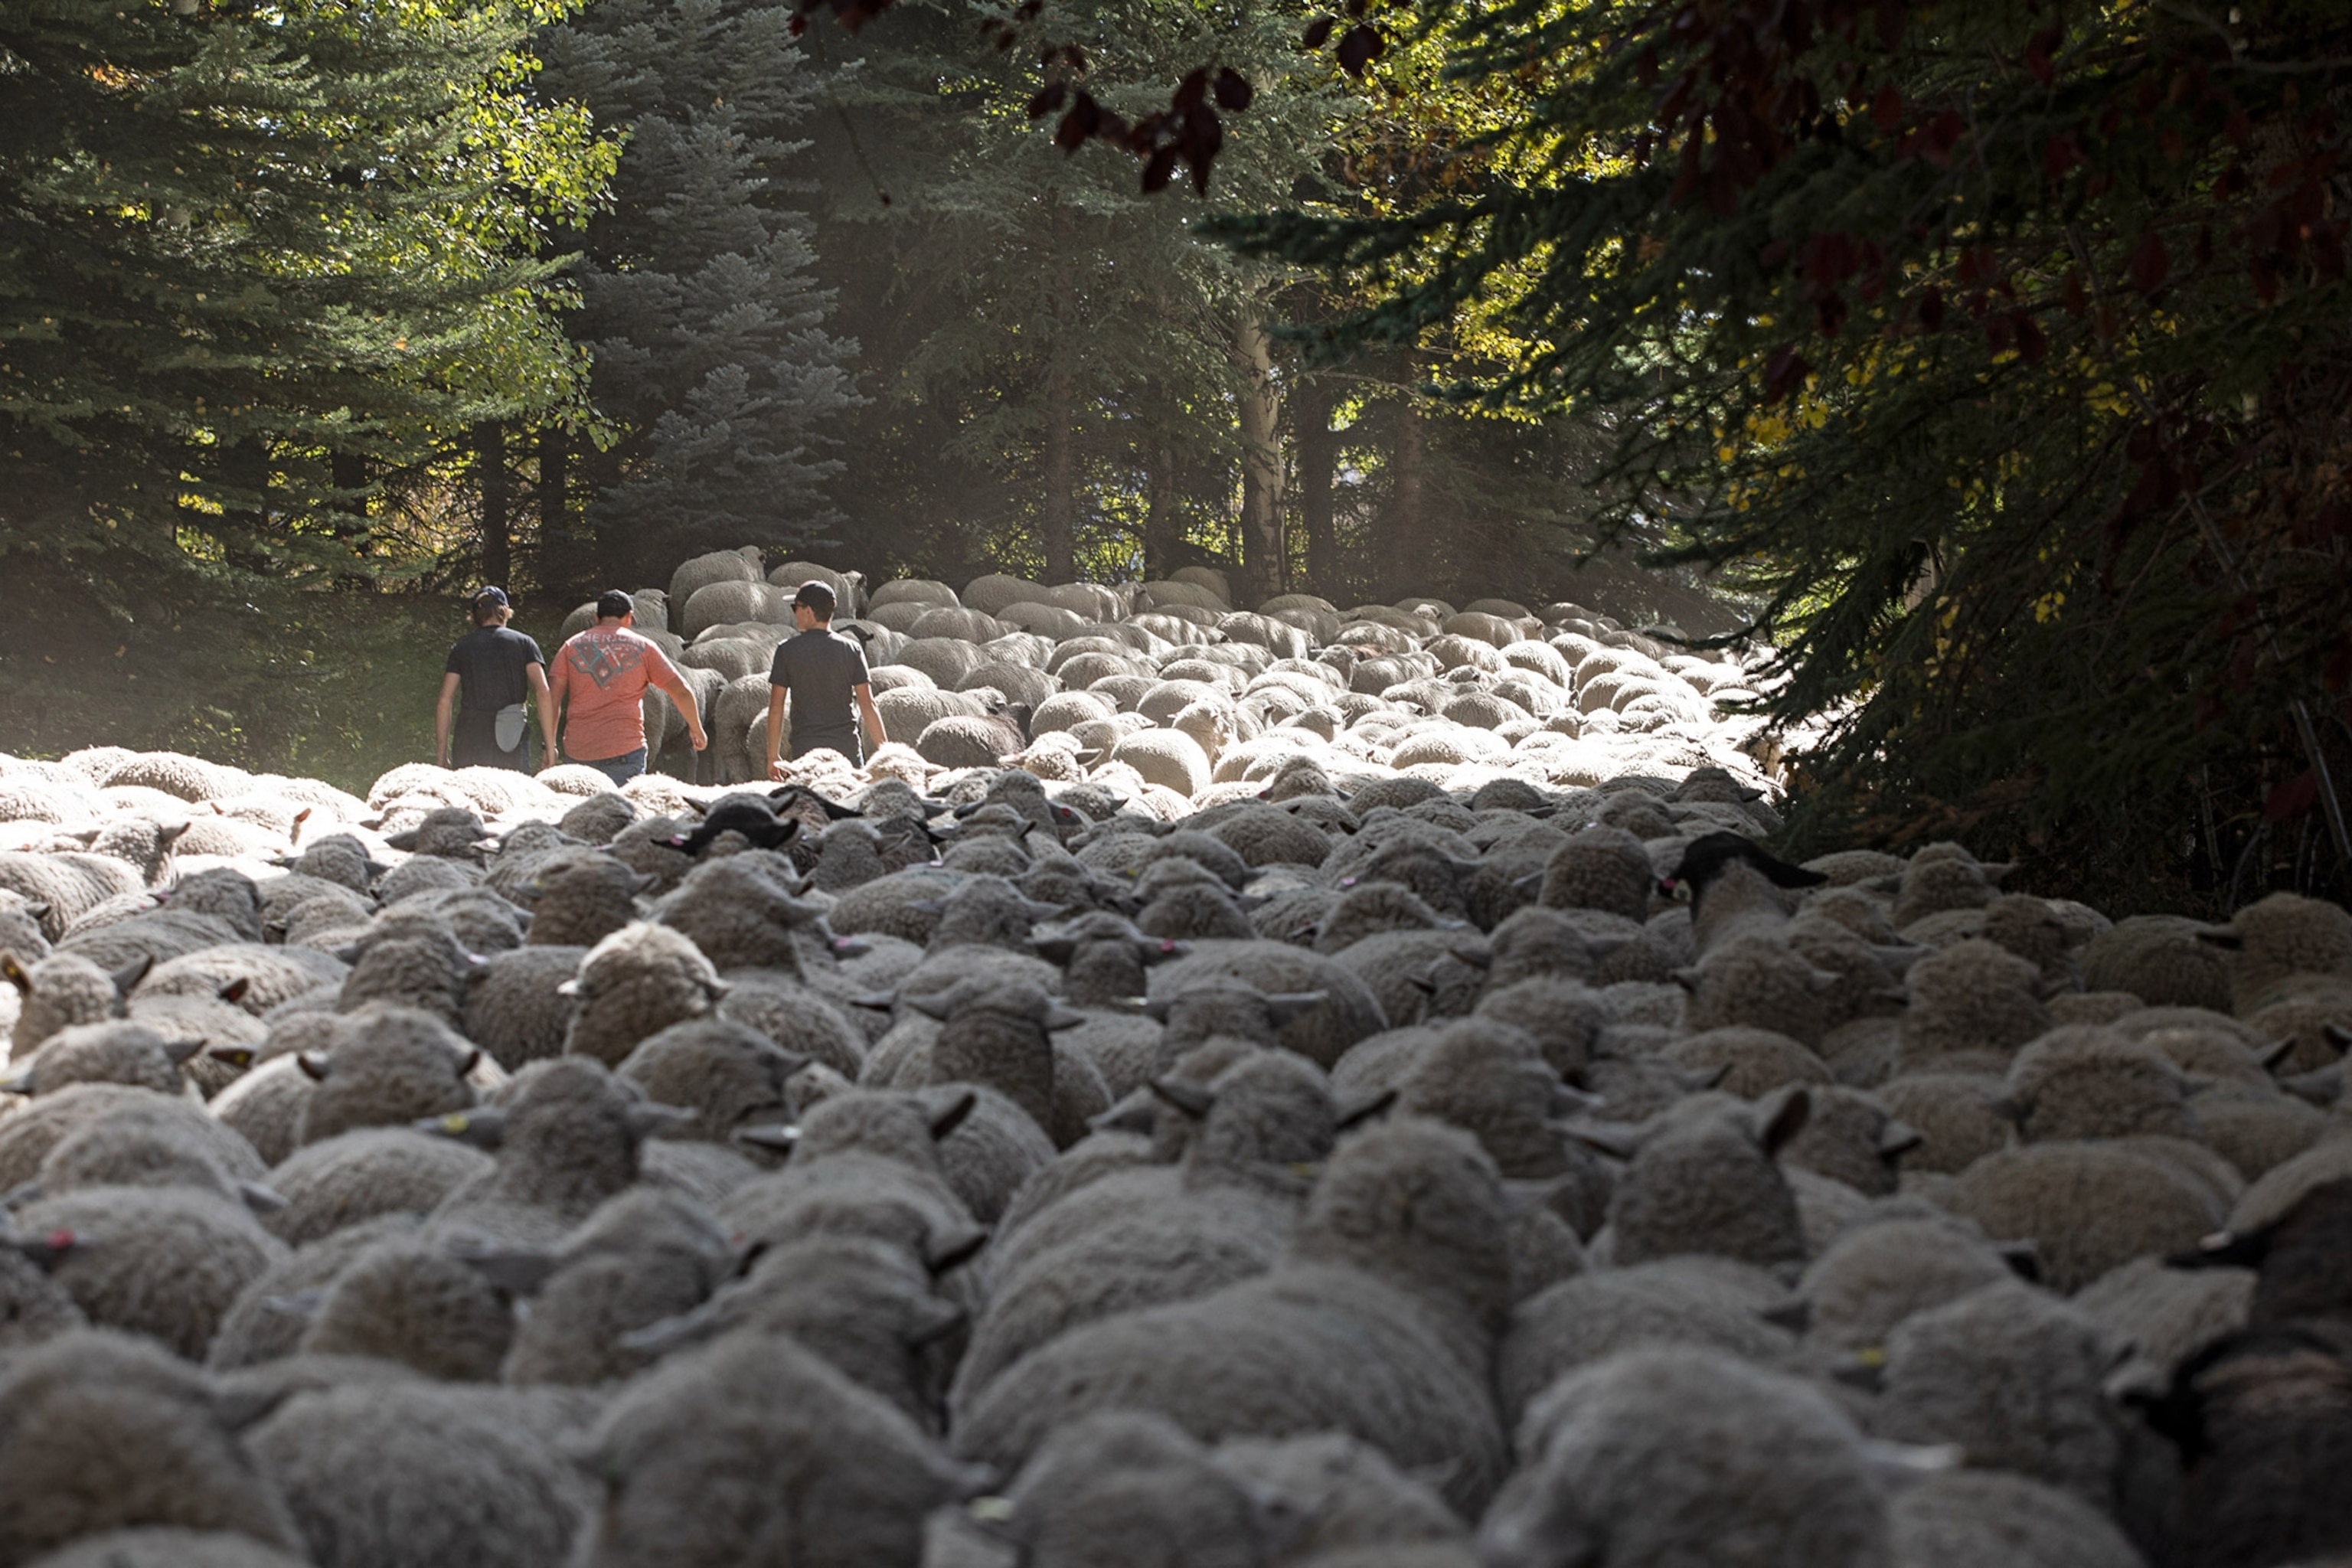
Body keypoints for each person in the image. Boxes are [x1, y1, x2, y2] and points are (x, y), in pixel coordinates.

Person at [547, 590, 708, 786]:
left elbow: (552, 700)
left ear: (597, 618)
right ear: (630, 617)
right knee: (623, 812)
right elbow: (681, 691)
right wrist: (696, 728)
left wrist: (549, 746)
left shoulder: (571, 647)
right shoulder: (643, 647)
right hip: (625, 750)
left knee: (585, 812)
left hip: (580, 751)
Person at [766, 580, 884, 775]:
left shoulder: (787, 650)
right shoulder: (852, 649)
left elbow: (776, 707)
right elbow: (868, 704)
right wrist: (885, 751)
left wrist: (772, 757)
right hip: (847, 752)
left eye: (796, 607)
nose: (794, 612)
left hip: (807, 754)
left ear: (808, 611)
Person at [435, 587, 557, 773]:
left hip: (469, 738)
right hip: (510, 736)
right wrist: (549, 746)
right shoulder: (524, 643)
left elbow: (445, 699)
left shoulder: (462, 648)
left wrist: (441, 755)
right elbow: (543, 692)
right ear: (506, 611)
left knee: (468, 798)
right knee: (513, 797)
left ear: (475, 615)